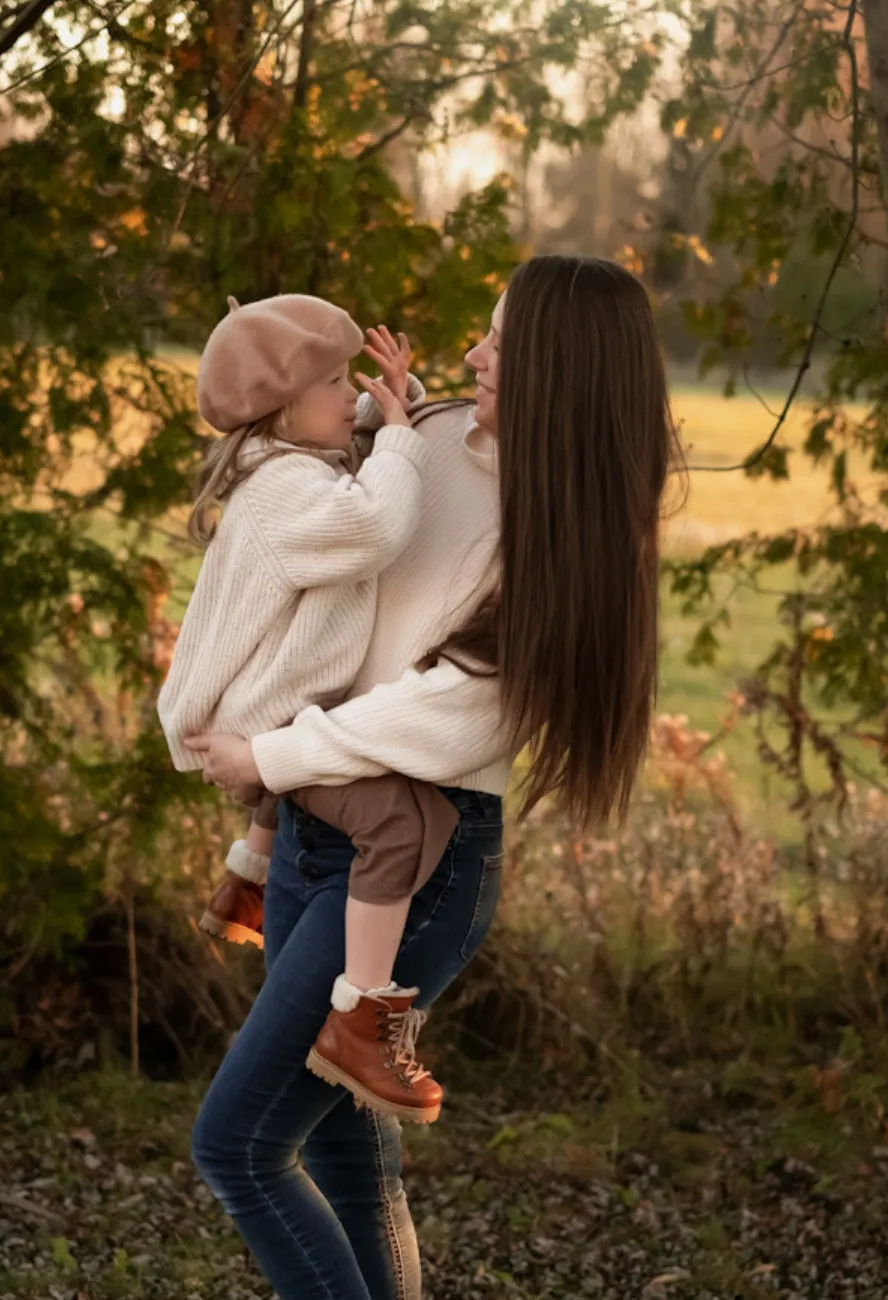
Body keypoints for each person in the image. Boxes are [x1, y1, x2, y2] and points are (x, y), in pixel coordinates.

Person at [185, 256, 684, 1299]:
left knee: (238, 1145)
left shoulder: (573, 538)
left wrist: (273, 752)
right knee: (343, 1159)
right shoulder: (426, 438)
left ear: (564, 371)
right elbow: (306, 504)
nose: (472, 353)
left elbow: (455, 714)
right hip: (319, 824)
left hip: (419, 854)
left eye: (501, 341)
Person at [159, 292, 464, 1125]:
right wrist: (400, 436)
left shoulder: (289, 460)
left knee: (402, 810)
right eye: (334, 382)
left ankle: (249, 881)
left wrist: (391, 401)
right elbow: (375, 527)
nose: (350, 395)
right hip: (269, 729)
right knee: (405, 825)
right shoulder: (286, 492)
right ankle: (359, 1019)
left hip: (281, 713)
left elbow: (350, 429)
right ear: (282, 408)